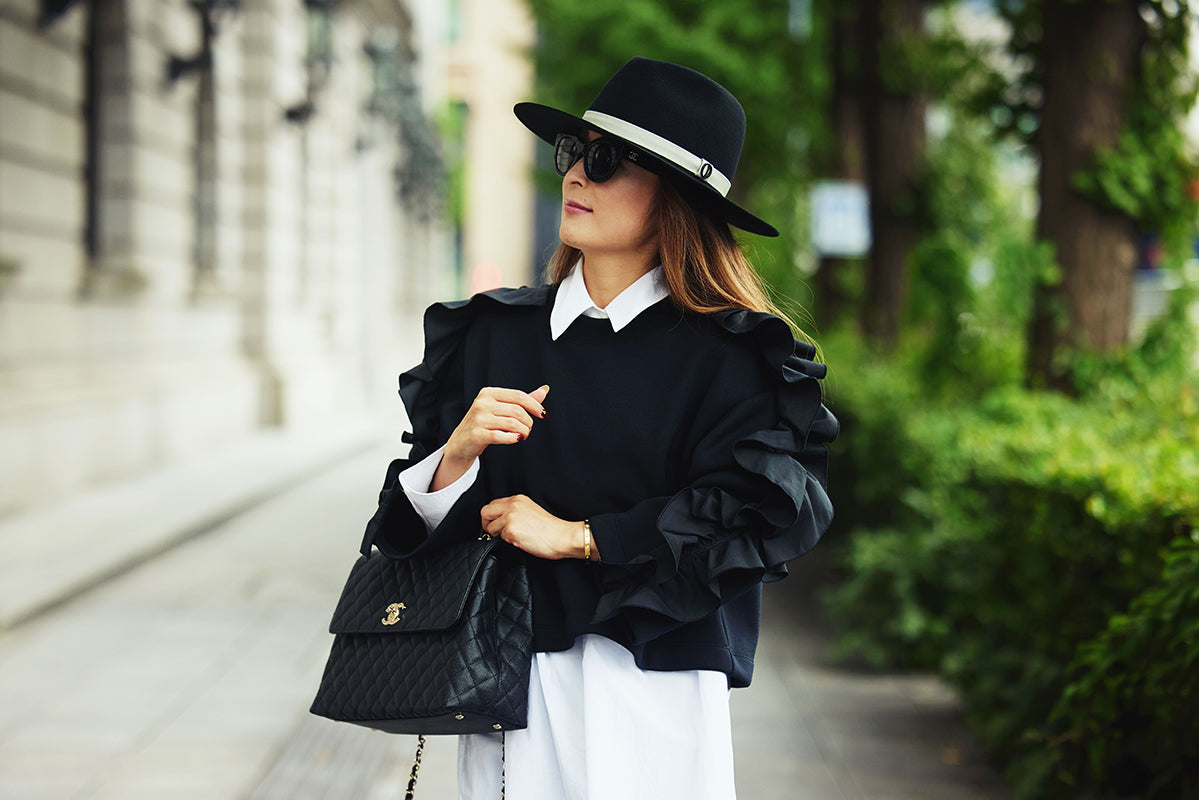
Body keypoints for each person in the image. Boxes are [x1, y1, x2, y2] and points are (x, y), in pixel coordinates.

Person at [364, 57, 838, 800]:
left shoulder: (734, 357)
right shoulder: (491, 333)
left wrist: (581, 535)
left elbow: (757, 514)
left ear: (676, 198)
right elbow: (406, 530)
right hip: (499, 673)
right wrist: (454, 455)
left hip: (648, 689)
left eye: (608, 159)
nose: (578, 174)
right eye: (574, 151)